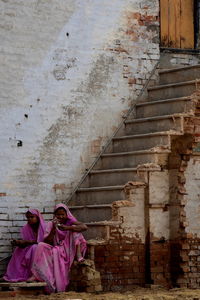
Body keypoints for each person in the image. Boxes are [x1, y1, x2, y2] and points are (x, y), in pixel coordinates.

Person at [31, 203, 87, 293]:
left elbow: (84, 227)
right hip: (57, 247)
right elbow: (47, 241)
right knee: (40, 245)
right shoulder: (51, 224)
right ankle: (37, 274)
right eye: (58, 214)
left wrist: (68, 228)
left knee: (74, 229)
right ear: (55, 215)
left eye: (62, 214)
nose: (60, 217)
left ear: (66, 214)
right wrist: (53, 229)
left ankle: (79, 255)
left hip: (69, 248)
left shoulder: (70, 221)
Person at [3, 209, 46, 282]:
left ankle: (34, 275)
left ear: (38, 217)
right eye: (28, 217)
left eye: (32, 217)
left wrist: (26, 242)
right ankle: (11, 275)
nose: (29, 219)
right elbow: (27, 243)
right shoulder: (26, 228)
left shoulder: (45, 227)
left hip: (43, 248)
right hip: (31, 246)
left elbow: (43, 242)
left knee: (34, 247)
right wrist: (19, 243)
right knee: (18, 250)